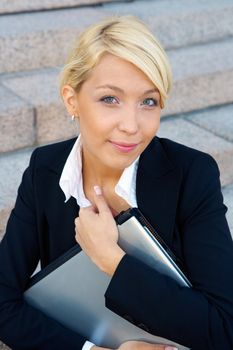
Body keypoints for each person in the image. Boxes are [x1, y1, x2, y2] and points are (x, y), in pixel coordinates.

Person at [0, 15, 232, 350]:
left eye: (148, 102)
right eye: (110, 99)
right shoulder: (45, 169)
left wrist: (114, 261)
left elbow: (224, 329)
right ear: (71, 100)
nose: (131, 125)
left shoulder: (191, 174)